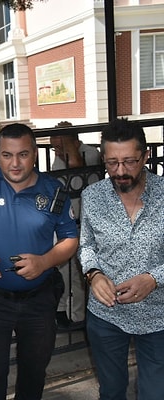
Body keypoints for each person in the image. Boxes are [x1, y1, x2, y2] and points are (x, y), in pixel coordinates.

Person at [0, 123, 78, 400]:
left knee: (33, 376)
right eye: (6, 155)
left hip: (39, 300)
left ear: (34, 153)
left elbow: (70, 238)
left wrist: (44, 261)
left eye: (22, 154)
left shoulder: (53, 190)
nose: (15, 163)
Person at [78, 118, 164, 400]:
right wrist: (94, 274)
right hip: (106, 315)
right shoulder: (91, 196)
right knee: (112, 392)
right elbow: (87, 245)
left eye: (129, 161)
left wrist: (154, 278)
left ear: (145, 156)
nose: (120, 171)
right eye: (112, 163)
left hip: (158, 316)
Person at [50, 121, 101, 331]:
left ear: (74, 142)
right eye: (55, 148)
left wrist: (70, 147)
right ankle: (62, 311)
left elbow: (79, 173)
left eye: (60, 146)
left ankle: (77, 316)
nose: (58, 152)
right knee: (62, 269)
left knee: (80, 274)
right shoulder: (58, 159)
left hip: (84, 223)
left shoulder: (89, 154)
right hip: (64, 222)